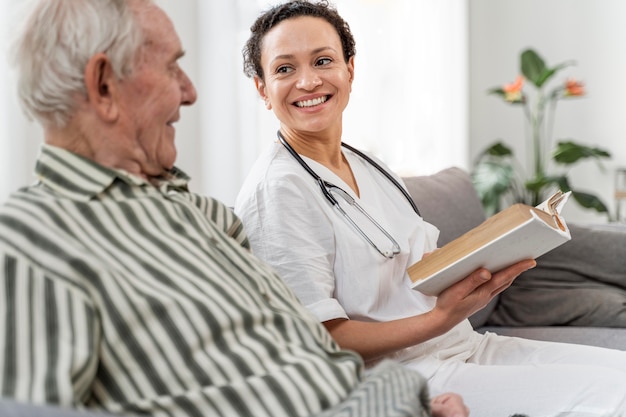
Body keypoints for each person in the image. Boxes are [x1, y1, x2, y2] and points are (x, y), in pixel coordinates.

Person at [0, 1, 470, 417]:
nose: (189, 92)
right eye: (171, 68)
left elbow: (300, 351)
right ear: (103, 86)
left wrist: (408, 403)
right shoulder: (33, 237)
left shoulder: (202, 214)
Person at [234, 1, 626, 416]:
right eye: (284, 69)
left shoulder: (370, 166)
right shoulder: (277, 191)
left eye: (323, 60)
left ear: (350, 69)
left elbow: (417, 267)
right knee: (613, 396)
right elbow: (316, 338)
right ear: (262, 89)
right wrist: (437, 320)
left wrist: (492, 255)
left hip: (463, 346)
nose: (308, 81)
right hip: (400, 375)